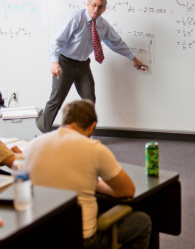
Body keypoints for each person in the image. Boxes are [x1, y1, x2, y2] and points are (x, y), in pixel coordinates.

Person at [25, 99, 151, 249]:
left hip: (38, 236)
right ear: (92, 127)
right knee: (142, 221)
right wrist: (96, 184)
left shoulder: (32, 145)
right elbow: (127, 191)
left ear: (64, 121)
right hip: (81, 240)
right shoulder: (94, 148)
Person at [43, 0, 148, 132]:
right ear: (87, 4)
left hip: (83, 65)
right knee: (56, 100)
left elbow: (117, 43)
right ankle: (42, 131)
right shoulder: (75, 18)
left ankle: (84, 134)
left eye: (100, 7)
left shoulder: (103, 25)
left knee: (89, 101)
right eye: (94, 5)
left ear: (104, 9)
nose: (96, 9)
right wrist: (54, 62)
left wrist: (134, 59)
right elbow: (57, 41)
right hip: (64, 63)